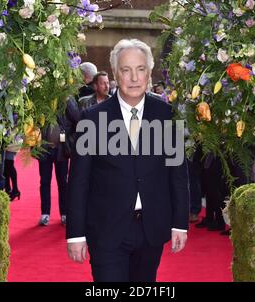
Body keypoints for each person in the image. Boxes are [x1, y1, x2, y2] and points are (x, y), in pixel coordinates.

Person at [66, 39, 189, 282]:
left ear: (149, 73)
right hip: (106, 229)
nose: (134, 77)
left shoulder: (166, 115)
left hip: (151, 228)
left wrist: (180, 224)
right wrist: (75, 235)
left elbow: (177, 174)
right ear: (115, 74)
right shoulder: (91, 119)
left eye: (140, 69)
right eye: (126, 70)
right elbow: (78, 181)